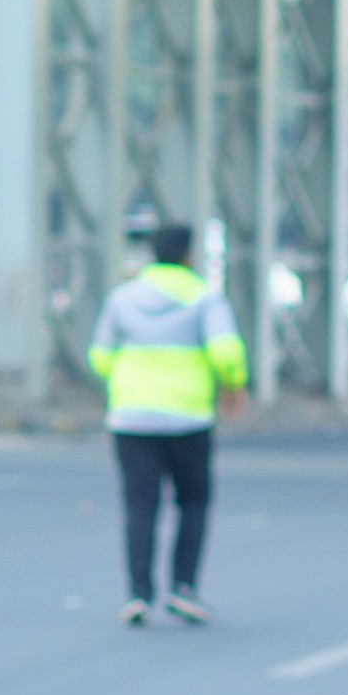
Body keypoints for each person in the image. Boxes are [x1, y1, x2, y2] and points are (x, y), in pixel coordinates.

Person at [87, 223, 246, 625]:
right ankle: (183, 588)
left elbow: (100, 357)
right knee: (192, 501)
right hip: (188, 418)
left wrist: (130, 380)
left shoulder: (122, 298)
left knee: (140, 506)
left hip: (131, 417)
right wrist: (234, 384)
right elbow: (226, 354)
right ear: (189, 256)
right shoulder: (205, 299)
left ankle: (138, 595)